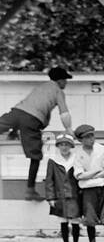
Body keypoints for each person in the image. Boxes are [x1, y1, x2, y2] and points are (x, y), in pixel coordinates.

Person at [1, 66, 74, 199]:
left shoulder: (41, 87)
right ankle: (30, 190)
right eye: (65, 80)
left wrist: (14, 130)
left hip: (17, 112)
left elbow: (28, 108)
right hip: (31, 119)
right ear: (60, 80)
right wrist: (69, 129)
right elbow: (64, 113)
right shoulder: (58, 91)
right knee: (36, 156)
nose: (66, 83)